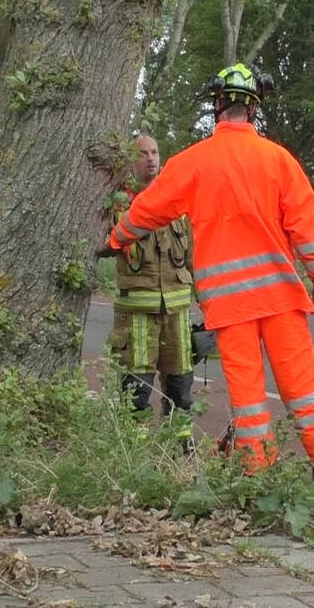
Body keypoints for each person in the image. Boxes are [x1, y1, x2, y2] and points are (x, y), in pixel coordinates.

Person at [100, 64, 314, 487]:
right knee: (302, 381)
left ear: (217, 105)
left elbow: (145, 212)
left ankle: (256, 469)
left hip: (228, 302)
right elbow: (307, 229)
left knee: (246, 391)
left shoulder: (193, 162)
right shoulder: (279, 160)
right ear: (255, 108)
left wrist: (115, 241)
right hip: (279, 296)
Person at [107, 135, 197, 423]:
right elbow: (104, 245)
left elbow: (194, 257)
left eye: (155, 152)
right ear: (130, 160)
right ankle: (133, 446)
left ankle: (181, 443)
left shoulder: (177, 202)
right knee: (136, 389)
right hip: (137, 315)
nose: (150, 159)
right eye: (143, 153)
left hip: (177, 312)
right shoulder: (119, 204)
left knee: (181, 388)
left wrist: (211, 304)